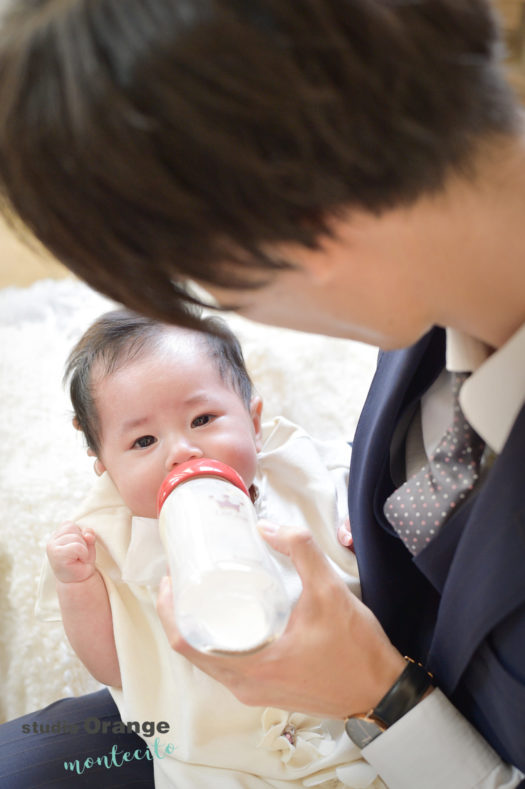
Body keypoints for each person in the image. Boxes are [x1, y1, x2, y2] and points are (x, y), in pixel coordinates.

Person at [0, 0, 523, 787]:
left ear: (300, 221)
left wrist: (375, 693)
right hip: (216, 704)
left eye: (187, 275)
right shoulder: (427, 303)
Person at [39, 307, 367, 788]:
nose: (181, 451)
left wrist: (359, 512)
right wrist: (78, 585)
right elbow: (113, 665)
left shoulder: (311, 476)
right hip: (217, 767)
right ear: (104, 465)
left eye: (203, 418)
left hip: (357, 739)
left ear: (254, 421)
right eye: (144, 440)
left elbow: (362, 485)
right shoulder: (109, 542)